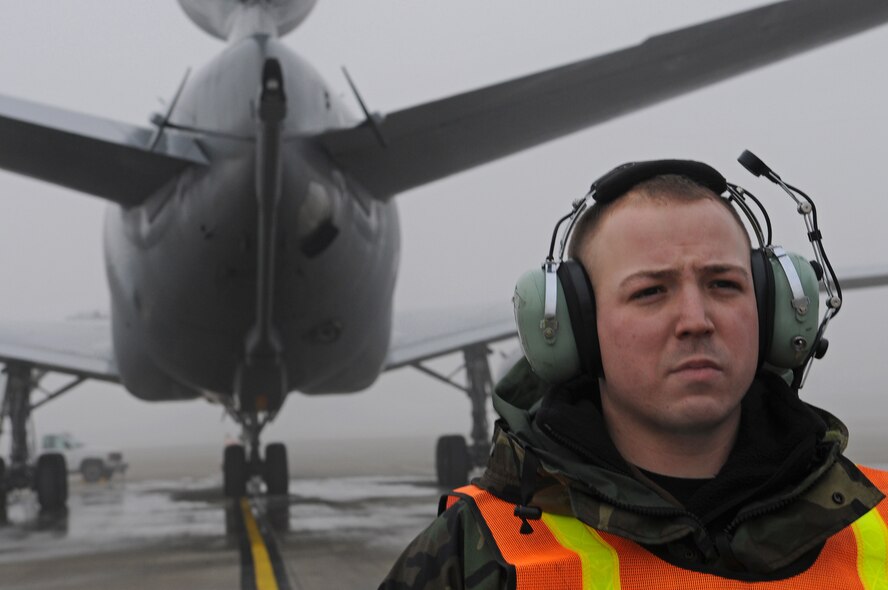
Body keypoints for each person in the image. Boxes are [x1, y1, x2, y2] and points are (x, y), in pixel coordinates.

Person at [379, 160, 888, 589]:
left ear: (773, 311)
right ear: (576, 330)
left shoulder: (876, 525)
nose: (696, 320)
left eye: (724, 284)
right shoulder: (471, 554)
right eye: (650, 292)